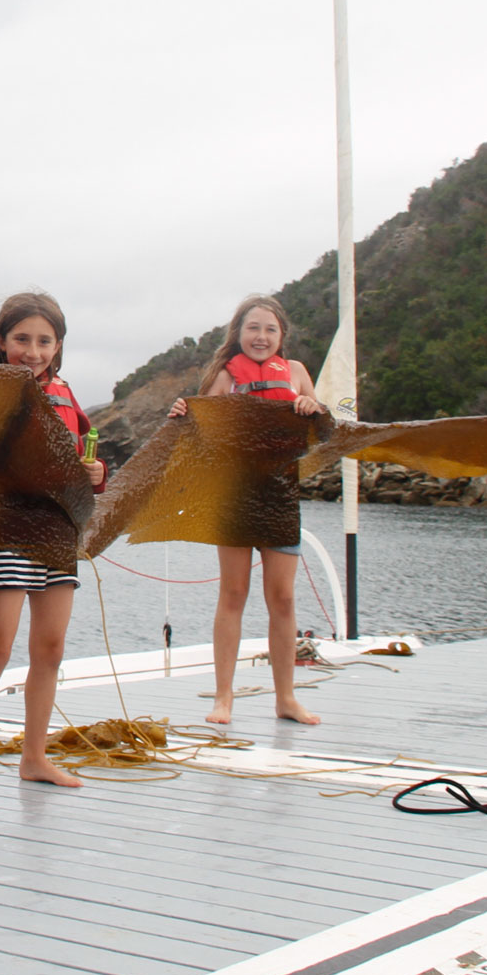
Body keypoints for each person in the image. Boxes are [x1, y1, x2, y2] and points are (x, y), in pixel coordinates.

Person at [0, 292, 106, 799]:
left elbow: (83, 463)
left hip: (58, 533)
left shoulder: (65, 393)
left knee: (51, 649)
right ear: (1, 340)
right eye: (22, 339)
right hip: (7, 531)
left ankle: (34, 757)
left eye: (44, 341)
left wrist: (97, 474)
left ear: (57, 346)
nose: (32, 351)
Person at [168, 294, 325, 727]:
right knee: (233, 593)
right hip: (235, 497)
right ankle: (224, 698)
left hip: (281, 495)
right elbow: (199, 430)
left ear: (282, 335)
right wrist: (182, 413)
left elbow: (322, 424)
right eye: (252, 328)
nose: (261, 336)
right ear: (238, 333)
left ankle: (286, 698)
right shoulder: (225, 376)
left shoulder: (296, 373)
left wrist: (310, 406)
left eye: (270, 329)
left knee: (283, 598)